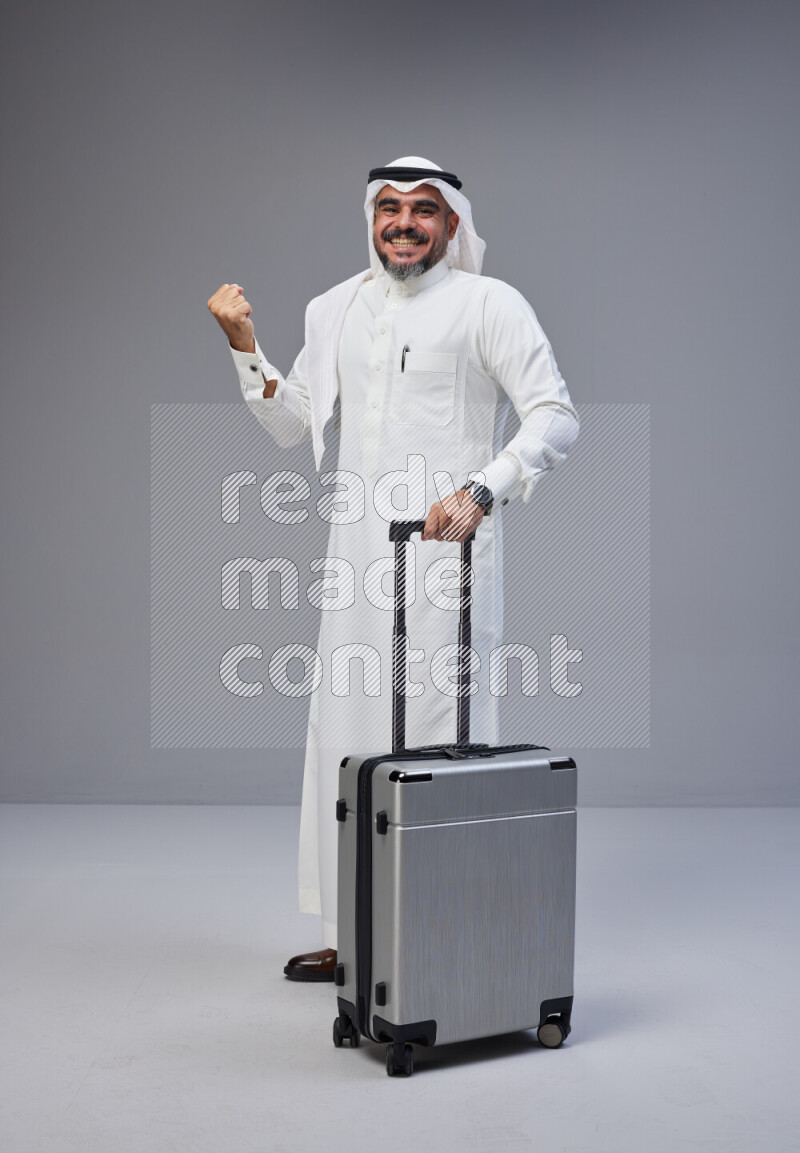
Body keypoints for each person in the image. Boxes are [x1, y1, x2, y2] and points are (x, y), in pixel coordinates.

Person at [208, 156, 579, 981]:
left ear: (451, 222)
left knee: (443, 739)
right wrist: (245, 347)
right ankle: (356, 933)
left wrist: (486, 488)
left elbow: (555, 414)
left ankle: (439, 934)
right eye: (388, 208)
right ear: (371, 218)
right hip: (354, 563)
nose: (403, 222)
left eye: (421, 209)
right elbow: (293, 420)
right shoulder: (334, 307)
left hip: (447, 559)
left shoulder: (489, 304)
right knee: (344, 734)